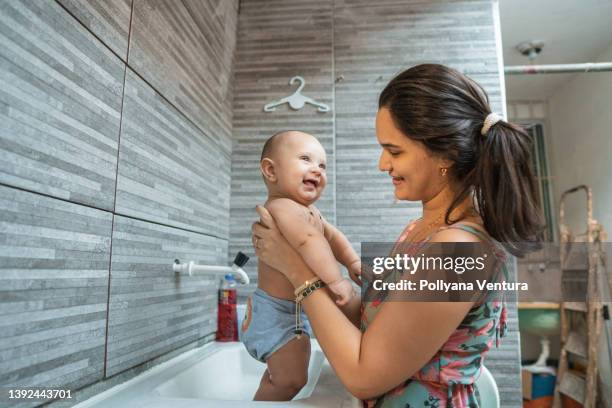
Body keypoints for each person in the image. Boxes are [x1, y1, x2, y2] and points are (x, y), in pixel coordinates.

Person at [251, 64, 544, 407]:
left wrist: (297, 271)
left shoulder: (459, 251)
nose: (382, 164)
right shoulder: (423, 230)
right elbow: (379, 331)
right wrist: (331, 287)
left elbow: (363, 376)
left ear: (445, 154)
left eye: (395, 150)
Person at [241, 130, 361, 401]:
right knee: (291, 379)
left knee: (291, 374)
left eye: (322, 165)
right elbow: (310, 241)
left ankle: (270, 388)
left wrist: (352, 261)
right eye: (305, 159)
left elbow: (332, 237)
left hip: (294, 310)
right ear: (271, 171)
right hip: (274, 312)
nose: (316, 170)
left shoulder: (310, 211)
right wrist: (336, 281)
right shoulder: (282, 206)